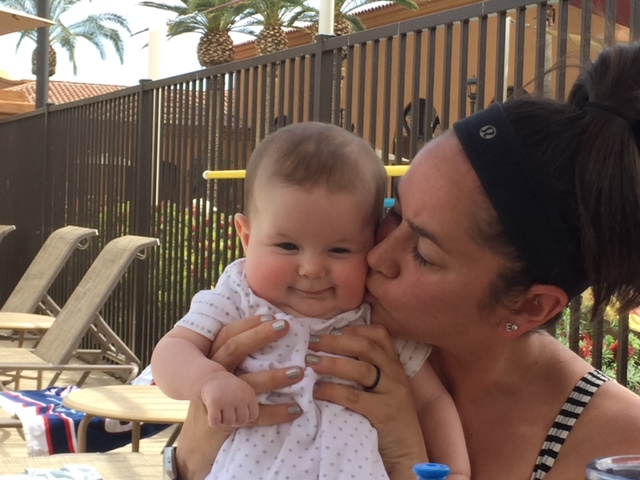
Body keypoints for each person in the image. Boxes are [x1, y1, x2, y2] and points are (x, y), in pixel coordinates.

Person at [169, 43, 640, 480]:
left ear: (529, 306)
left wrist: (406, 458)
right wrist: (194, 452)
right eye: (392, 212)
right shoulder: (306, 325)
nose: (376, 253)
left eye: (424, 253)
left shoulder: (621, 454)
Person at [152, 122, 470, 480]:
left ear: (371, 245)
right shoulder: (238, 298)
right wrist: (209, 380)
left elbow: (430, 402)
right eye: (288, 246)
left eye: (339, 250)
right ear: (247, 236)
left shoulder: (372, 321)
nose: (312, 269)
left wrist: (456, 472)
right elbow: (172, 351)